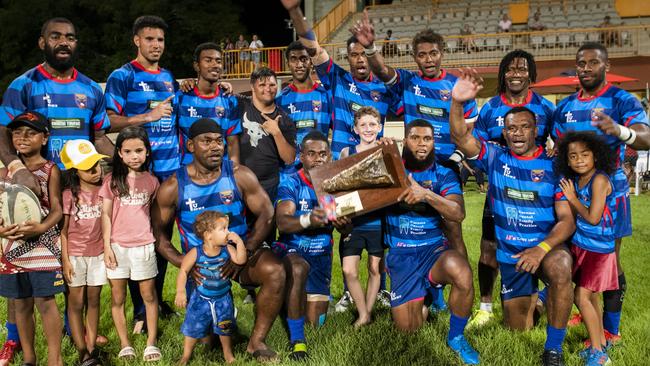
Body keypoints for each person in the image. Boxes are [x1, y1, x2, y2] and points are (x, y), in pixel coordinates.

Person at [450, 69, 576, 366]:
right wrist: (457, 101)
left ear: (536, 131)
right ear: (504, 133)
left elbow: (567, 221)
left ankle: (553, 349)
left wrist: (541, 249)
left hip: (544, 250)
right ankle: (543, 299)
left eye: (524, 127)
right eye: (512, 128)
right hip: (511, 256)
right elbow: (459, 135)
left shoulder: (554, 166)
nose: (518, 133)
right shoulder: (493, 157)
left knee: (560, 267)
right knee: (519, 327)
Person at [351, 14, 476, 310]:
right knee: (409, 219)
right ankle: (416, 285)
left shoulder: (457, 86)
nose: (428, 59)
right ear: (415, 58)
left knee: (452, 227)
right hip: (414, 167)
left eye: (433, 53)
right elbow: (382, 71)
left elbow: (470, 128)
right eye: (422, 54)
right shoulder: (408, 82)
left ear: (442, 53)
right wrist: (370, 49)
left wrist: (457, 159)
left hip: (445, 167)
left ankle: (455, 285)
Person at [152, 118, 282, 362]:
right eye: (206, 141)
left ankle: (257, 342)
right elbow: (158, 233)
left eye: (219, 141)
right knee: (208, 342)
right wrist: (183, 262)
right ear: (190, 146)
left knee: (275, 271)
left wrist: (248, 248)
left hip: (238, 253)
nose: (215, 146)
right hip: (203, 266)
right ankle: (221, 314)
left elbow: (267, 212)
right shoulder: (173, 186)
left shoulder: (238, 174)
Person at [552, 42, 650, 346]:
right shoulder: (566, 106)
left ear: (606, 66)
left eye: (593, 63)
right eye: (581, 63)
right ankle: (587, 307)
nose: (586, 68)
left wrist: (620, 131)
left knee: (609, 261)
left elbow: (646, 137)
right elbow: (556, 147)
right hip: (574, 194)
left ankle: (612, 329)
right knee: (582, 256)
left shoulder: (621, 99)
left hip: (610, 196)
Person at [469, 50, 556, 328]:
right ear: (502, 73)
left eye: (522, 68)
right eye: (510, 69)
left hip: (536, 193)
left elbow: (559, 142)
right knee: (488, 248)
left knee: (547, 246)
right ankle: (485, 308)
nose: (516, 73)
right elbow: (476, 143)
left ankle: (541, 293)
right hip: (501, 190)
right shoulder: (491, 108)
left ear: (531, 73)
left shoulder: (544, 107)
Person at [104, 15, 179, 331]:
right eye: (150, 39)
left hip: (170, 172)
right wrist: (148, 116)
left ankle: (155, 301)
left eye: (160, 40)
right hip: (141, 175)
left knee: (161, 240)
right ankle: (138, 312)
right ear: (137, 40)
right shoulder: (122, 76)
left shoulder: (168, 76)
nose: (156, 45)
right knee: (139, 242)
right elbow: (108, 120)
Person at [382, 120, 478, 364]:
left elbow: (457, 212)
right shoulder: (389, 169)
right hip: (402, 253)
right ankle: (427, 295)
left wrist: (426, 194)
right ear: (405, 141)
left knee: (462, 272)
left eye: (427, 139)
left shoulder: (443, 172)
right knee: (409, 328)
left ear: (434, 142)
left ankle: (455, 337)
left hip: (434, 250)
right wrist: (378, 150)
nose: (421, 144)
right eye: (415, 138)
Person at [282, 0, 403, 160]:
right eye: (354, 55)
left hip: (372, 163)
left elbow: (407, 113)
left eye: (364, 54)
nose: (360, 59)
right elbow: (313, 48)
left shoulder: (384, 89)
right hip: (340, 165)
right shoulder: (337, 80)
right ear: (348, 58)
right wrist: (295, 10)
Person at [274, 130, 351, 360]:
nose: (318, 159)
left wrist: (344, 224)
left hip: (320, 257)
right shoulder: (291, 181)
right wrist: (309, 219)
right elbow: (283, 222)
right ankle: (297, 342)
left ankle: (289, 301)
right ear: (302, 156)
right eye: (312, 153)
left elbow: (347, 230)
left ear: (330, 156)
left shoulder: (336, 185)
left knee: (315, 322)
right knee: (298, 270)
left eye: (323, 154)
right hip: (293, 250)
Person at [0, 17, 113, 169]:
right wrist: (17, 169)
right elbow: (3, 132)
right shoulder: (23, 85)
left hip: (81, 182)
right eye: (55, 37)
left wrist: (126, 166)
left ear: (75, 44)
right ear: (42, 43)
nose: (64, 42)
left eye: (70, 38)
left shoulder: (92, 88)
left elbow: (99, 138)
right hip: (41, 181)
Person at [0, 111, 64, 366]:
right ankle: (29, 358)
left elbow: (57, 209)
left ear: (45, 138)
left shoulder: (49, 169)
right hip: (11, 248)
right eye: (17, 132)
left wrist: (40, 228)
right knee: (20, 303)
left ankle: (54, 359)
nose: (23, 138)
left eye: (31, 133)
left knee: (45, 302)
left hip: (42, 248)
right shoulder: (4, 174)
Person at [556, 132, 618, 366]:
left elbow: (593, 218)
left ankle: (599, 354)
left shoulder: (600, 180)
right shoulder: (578, 180)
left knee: (581, 296)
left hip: (599, 249)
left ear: (596, 156)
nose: (579, 160)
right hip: (582, 245)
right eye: (573, 156)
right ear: (567, 160)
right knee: (591, 297)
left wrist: (572, 199)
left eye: (585, 154)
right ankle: (600, 341)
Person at [100, 126, 161, 361]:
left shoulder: (152, 181)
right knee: (118, 297)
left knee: (149, 295)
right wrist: (107, 246)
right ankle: (125, 343)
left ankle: (151, 342)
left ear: (147, 151)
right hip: (117, 247)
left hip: (144, 245)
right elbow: (105, 215)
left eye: (139, 150)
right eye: (128, 151)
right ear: (120, 154)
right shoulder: (111, 181)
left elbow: (154, 215)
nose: (134, 156)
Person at [175, 211, 247, 365]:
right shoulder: (196, 252)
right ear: (208, 235)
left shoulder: (227, 249)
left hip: (223, 299)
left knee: (225, 326)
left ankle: (228, 355)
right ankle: (186, 356)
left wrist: (239, 242)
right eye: (223, 229)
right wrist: (181, 292)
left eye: (227, 228)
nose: (228, 232)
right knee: (193, 328)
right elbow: (183, 270)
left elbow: (240, 261)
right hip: (201, 299)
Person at [60, 140, 108, 365]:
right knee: (76, 302)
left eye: (96, 165)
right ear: (74, 170)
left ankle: (91, 348)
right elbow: (64, 232)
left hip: (97, 254)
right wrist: (66, 260)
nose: (95, 171)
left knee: (94, 299)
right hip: (76, 256)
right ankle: (82, 351)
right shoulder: (69, 195)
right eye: (88, 168)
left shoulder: (105, 191)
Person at [337, 107, 385, 327]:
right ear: (355, 128)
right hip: (353, 221)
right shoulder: (347, 152)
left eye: (372, 124)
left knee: (375, 268)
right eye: (363, 125)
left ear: (380, 127)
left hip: (377, 220)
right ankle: (363, 311)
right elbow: (339, 189)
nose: (368, 129)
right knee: (349, 270)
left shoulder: (385, 150)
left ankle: (367, 313)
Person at [239, 67, 296, 229]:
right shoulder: (240, 107)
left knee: (266, 236)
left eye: (271, 85)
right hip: (241, 184)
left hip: (269, 186)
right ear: (252, 87)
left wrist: (276, 132)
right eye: (262, 85)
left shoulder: (284, 119)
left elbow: (289, 158)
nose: (268, 89)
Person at [175, 42, 241, 165]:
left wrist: (233, 172)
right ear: (197, 66)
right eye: (208, 60)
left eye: (218, 61)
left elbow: (232, 143)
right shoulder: (181, 97)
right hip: (188, 170)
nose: (215, 65)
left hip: (220, 172)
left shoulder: (229, 100)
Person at [276, 41, 331, 174]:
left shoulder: (326, 96)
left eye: (304, 59)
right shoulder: (280, 99)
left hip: (320, 171)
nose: (299, 65)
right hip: (290, 173)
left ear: (311, 62)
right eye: (294, 59)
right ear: (288, 63)